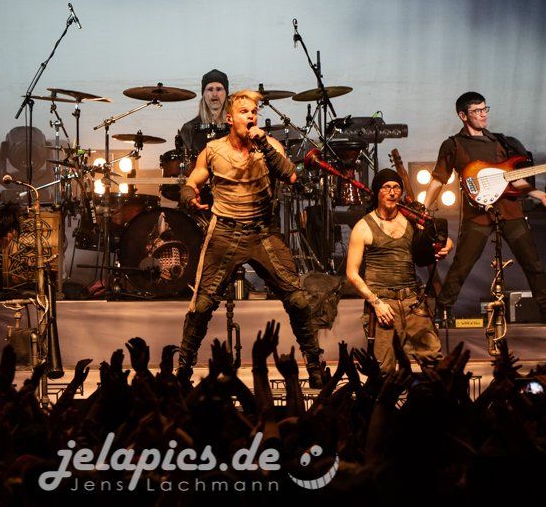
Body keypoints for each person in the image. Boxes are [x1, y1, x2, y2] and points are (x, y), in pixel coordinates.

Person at [178, 89, 324, 385]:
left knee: (297, 300)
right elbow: (192, 181)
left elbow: (291, 176)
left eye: (254, 112)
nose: (251, 117)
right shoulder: (213, 149)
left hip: (262, 232)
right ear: (230, 118)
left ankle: (315, 365)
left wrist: (265, 145)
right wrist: (188, 197)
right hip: (225, 232)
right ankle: (182, 370)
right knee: (202, 305)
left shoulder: (269, 145)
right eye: (244, 112)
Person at [425, 91, 546, 324]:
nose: (483, 115)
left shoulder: (500, 142)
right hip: (477, 215)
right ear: (463, 116)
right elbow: (438, 179)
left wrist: (540, 195)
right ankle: (442, 313)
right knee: (462, 265)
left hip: (509, 211)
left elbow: (513, 179)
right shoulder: (453, 145)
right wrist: (423, 208)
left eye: (485, 109)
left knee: (533, 263)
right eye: (477, 111)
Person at [346, 169, 452, 371]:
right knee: (384, 370)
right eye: (386, 187)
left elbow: (443, 238)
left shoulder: (411, 220)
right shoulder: (364, 227)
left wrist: (445, 247)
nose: (392, 192)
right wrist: (376, 303)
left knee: (434, 362)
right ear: (377, 192)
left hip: (413, 302)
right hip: (383, 304)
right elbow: (352, 273)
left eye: (396, 188)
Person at [177, 69, 229, 153]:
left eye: (219, 89)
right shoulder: (189, 128)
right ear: (203, 94)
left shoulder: (235, 127)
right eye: (210, 89)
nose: (214, 94)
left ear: (226, 93)